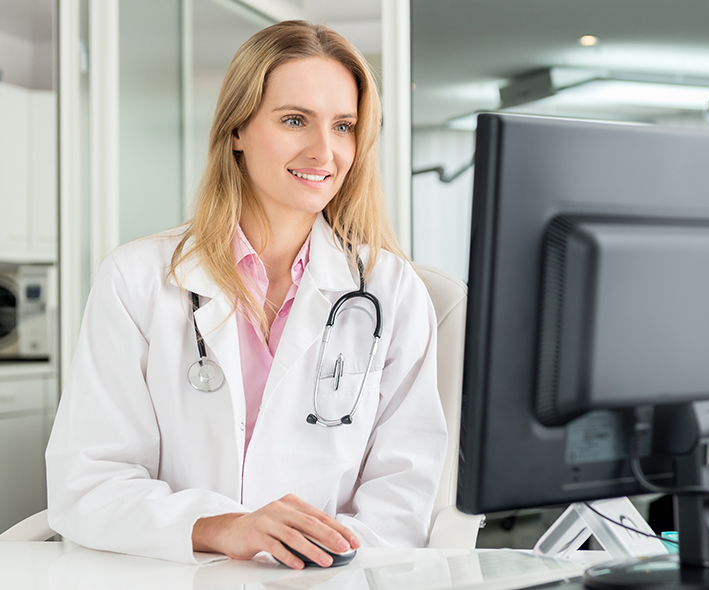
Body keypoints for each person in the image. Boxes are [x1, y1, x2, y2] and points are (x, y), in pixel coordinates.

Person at [45, 20, 448, 568]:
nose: (324, 151)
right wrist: (226, 529)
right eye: (294, 120)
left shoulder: (391, 290)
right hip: (169, 577)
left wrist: (321, 560)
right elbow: (88, 482)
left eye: (344, 126)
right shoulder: (137, 279)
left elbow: (405, 489)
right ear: (237, 129)